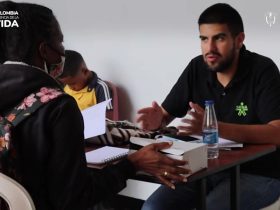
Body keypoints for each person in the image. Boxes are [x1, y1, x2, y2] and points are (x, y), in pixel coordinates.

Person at [0, 1, 190, 210]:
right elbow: (74, 199)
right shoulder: (58, 106)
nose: (63, 51)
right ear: (45, 50)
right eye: (60, 43)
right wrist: (133, 163)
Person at [138, 3, 280, 210]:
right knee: (153, 207)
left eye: (219, 38)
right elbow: (166, 114)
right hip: (205, 167)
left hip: (259, 173)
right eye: (204, 39)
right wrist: (157, 120)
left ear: (239, 40)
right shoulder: (197, 67)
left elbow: (277, 133)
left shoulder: (263, 70)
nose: (210, 48)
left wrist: (214, 128)